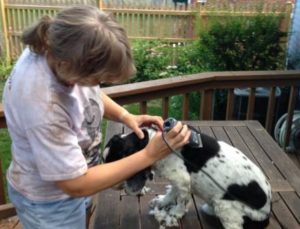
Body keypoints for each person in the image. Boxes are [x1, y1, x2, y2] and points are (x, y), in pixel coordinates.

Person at [2, 5, 191, 229]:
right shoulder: (44, 106)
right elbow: (76, 184)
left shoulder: (57, 46)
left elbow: (88, 92)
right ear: (68, 67)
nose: (97, 85)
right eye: (97, 79)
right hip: (51, 205)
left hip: (70, 184)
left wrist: (125, 115)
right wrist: (150, 155)